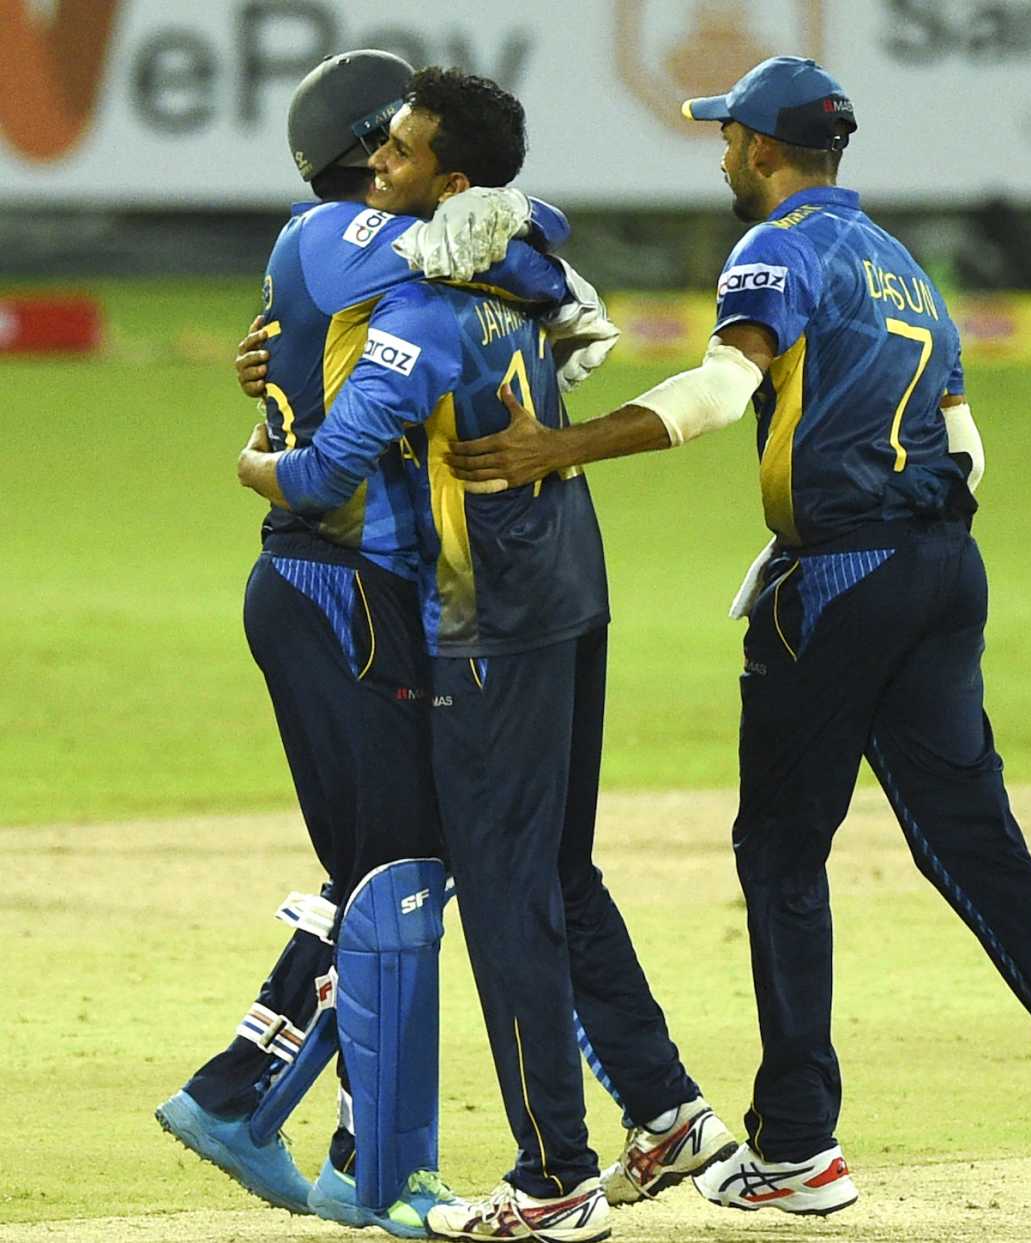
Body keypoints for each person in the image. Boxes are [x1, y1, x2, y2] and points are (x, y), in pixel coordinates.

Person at [444, 56, 1031, 1236]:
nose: (722, 157)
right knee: (973, 843)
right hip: (943, 570)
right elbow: (969, 452)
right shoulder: (903, 268)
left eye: (729, 139)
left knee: (782, 855)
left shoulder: (776, 248)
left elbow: (723, 391)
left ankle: (796, 1145)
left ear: (769, 153)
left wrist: (556, 449)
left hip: (841, 581)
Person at [237, 66, 737, 1243]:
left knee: (504, 887)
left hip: (484, 614)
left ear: (446, 181)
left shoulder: (415, 300)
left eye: (402, 157)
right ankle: (666, 1112)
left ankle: (554, 1175)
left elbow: (321, 474)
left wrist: (259, 461)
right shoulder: (512, 275)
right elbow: (550, 259)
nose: (383, 174)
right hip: (573, 589)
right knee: (558, 867)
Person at [154, 48, 585, 1234]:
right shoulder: (337, 233)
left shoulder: (347, 257)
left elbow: (500, 258)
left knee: (392, 869)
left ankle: (253, 1100)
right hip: (339, 582)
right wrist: (535, 234)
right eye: (395, 136)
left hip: (353, 588)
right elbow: (507, 245)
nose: (408, 153)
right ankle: (381, 1166)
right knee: (400, 872)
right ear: (366, 148)